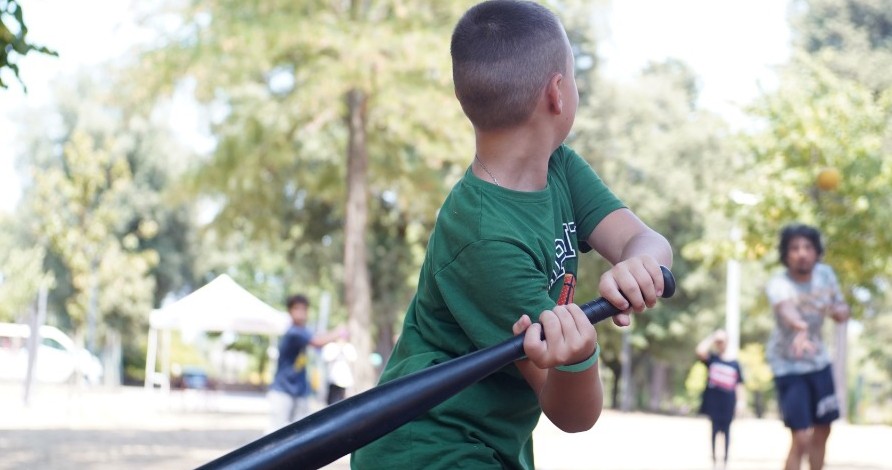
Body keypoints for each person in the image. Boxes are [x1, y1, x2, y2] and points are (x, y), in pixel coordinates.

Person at [350, 1, 673, 468]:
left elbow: (643, 240)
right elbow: (571, 412)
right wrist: (578, 356)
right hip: (429, 445)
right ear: (558, 94)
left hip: (491, 442)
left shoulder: (560, 167)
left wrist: (640, 263)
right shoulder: (482, 237)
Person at [766, 224, 850, 470]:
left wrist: (840, 312)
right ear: (786, 254)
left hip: (819, 362)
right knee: (801, 437)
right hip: (787, 365)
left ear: (816, 252)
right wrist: (800, 326)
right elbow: (785, 308)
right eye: (794, 248)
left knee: (823, 430)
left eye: (807, 247)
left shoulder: (826, 275)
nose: (801, 253)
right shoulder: (778, 282)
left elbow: (840, 309)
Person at [267, 294, 346, 433]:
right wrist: (338, 332)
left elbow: (318, 342)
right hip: (282, 390)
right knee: (274, 433)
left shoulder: (304, 332)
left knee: (301, 433)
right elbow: (317, 342)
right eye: (296, 309)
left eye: (304, 309)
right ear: (290, 311)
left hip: (300, 390)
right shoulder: (294, 332)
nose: (301, 313)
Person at [695, 329, 744, 469]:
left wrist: (740, 403)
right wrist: (712, 338)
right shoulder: (712, 359)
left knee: (727, 433)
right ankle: (715, 462)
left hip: (728, 403)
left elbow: (739, 384)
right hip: (713, 403)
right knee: (714, 432)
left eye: (722, 341)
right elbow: (699, 351)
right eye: (719, 341)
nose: (720, 344)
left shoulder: (735, 363)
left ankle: (725, 463)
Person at [321, 337, 357, 405]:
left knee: (342, 401)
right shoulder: (332, 346)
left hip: (345, 379)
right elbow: (326, 358)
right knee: (332, 400)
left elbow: (352, 360)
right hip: (333, 379)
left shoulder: (348, 347)